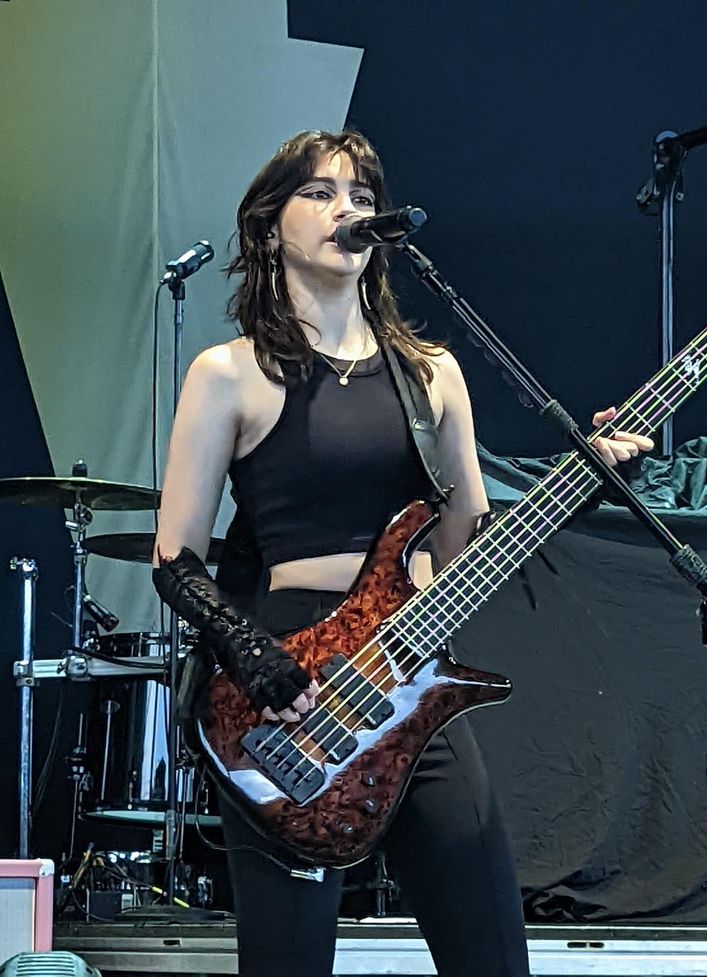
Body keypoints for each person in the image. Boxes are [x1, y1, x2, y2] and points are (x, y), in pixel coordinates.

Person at [152, 129, 653, 977]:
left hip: (410, 667)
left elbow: (467, 551)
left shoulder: (432, 374)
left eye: (358, 193)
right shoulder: (228, 373)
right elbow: (175, 557)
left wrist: (581, 481)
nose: (345, 207)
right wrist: (258, 664)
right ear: (271, 228)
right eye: (318, 192)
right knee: (288, 961)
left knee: (491, 952)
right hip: (289, 688)